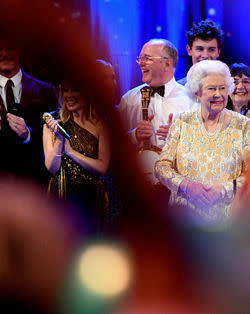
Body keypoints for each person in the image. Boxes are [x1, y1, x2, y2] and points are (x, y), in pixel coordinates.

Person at [155, 60, 250, 226]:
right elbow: (161, 167)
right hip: (184, 222)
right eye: (211, 88)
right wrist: (186, 185)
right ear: (197, 93)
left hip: (227, 225)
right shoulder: (181, 121)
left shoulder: (243, 125)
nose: (218, 94)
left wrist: (223, 189)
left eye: (222, 88)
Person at [119, 39, 196, 188]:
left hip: (180, 189)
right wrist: (134, 135)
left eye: (146, 59)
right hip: (138, 191)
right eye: (139, 59)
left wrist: (178, 139)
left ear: (167, 63)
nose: (140, 63)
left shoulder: (191, 100)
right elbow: (113, 147)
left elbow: (206, 148)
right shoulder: (129, 100)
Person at [43, 81, 110, 231]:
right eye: (65, 90)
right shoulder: (52, 122)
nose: (69, 95)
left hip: (91, 198)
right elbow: (52, 168)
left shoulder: (101, 124)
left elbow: (102, 168)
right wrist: (60, 140)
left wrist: (71, 152)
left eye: (75, 89)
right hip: (61, 196)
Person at [0, 40, 58, 183]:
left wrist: (28, 134)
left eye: (10, 48)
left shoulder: (46, 91)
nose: (4, 54)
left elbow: (57, 137)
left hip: (33, 182)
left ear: (20, 51)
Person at [177, 20, 224, 85]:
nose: (205, 55)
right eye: (200, 49)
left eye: (211, 50)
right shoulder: (177, 90)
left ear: (218, 52)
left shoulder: (230, 88)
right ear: (189, 50)